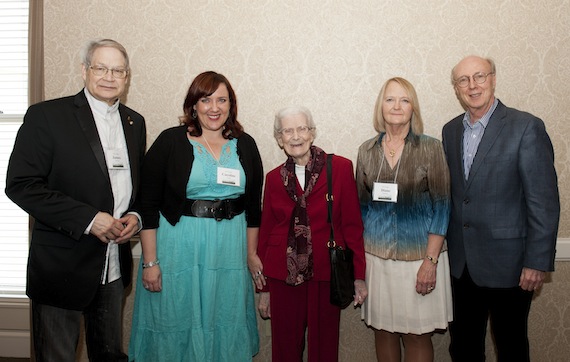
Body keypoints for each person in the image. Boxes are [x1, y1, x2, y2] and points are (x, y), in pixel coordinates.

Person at [5, 39, 146, 362]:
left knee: (109, 355)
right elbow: (21, 185)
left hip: (113, 266)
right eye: (101, 67)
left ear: (127, 77)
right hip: (61, 267)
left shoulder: (134, 123)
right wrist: (88, 218)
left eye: (118, 70)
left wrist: (135, 217)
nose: (109, 76)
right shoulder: (47, 116)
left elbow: (135, 188)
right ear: (84, 70)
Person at [128, 71, 263, 362]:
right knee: (176, 316)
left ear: (231, 105)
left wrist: (251, 254)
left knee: (223, 315)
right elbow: (148, 204)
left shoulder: (246, 144)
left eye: (221, 100)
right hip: (179, 246)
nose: (214, 108)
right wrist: (150, 262)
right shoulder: (170, 141)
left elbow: (254, 207)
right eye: (206, 99)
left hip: (229, 248)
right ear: (193, 105)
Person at [442, 55, 560, 362]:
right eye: (463, 80)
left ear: (493, 78)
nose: (472, 85)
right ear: (456, 88)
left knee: (511, 346)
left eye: (479, 76)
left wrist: (537, 261)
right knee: (464, 346)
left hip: (511, 265)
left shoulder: (526, 127)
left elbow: (543, 202)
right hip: (462, 264)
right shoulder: (450, 131)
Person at [256, 105, 368, 362]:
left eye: (301, 129)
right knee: (285, 348)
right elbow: (266, 232)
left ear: (312, 133)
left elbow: (352, 225)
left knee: (324, 348)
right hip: (283, 274)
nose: (295, 136)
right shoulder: (274, 178)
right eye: (287, 131)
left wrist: (359, 276)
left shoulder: (339, 168)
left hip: (326, 273)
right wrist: (264, 288)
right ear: (279, 139)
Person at [356, 77, 452, 362]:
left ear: (413, 108)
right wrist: (359, 265)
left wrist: (431, 262)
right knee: (383, 332)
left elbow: (443, 207)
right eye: (390, 99)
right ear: (380, 106)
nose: (396, 106)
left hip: (419, 259)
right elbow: (360, 210)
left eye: (404, 100)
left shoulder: (431, 148)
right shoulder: (366, 151)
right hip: (377, 258)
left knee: (416, 335)